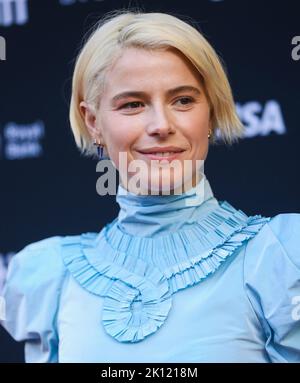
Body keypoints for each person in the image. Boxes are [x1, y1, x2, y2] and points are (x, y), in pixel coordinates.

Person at [1, 10, 300, 363]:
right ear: (93, 122)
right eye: (133, 104)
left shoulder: (281, 255)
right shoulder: (49, 278)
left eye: (183, 100)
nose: (161, 124)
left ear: (211, 112)